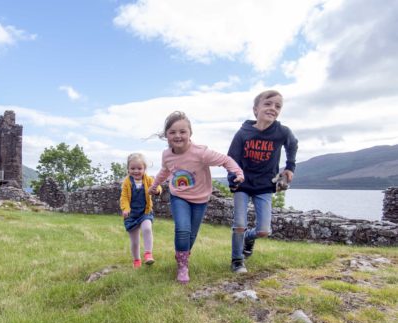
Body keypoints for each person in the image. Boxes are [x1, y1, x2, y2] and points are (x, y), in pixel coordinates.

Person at [149, 111, 244, 283]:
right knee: (182, 229)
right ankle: (182, 266)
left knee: (191, 234)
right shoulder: (167, 155)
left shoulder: (201, 153)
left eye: (182, 131)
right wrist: (155, 186)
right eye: (172, 132)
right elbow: (165, 170)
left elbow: (225, 160)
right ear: (166, 135)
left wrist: (237, 172)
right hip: (179, 196)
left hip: (200, 199)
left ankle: (182, 255)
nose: (178, 135)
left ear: (190, 133)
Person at [227, 90, 298, 273]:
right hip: (243, 184)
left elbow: (293, 144)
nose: (272, 108)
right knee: (240, 224)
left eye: (277, 106)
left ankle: (249, 238)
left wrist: (290, 167)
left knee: (264, 231)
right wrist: (233, 179)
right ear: (255, 109)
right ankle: (237, 260)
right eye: (268, 104)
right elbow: (232, 158)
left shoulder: (282, 132)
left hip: (265, 186)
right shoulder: (243, 133)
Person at [120, 153, 162, 268]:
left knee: (147, 228)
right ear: (128, 169)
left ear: (144, 169)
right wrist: (125, 208)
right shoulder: (126, 182)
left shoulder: (148, 179)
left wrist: (156, 191)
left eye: (139, 168)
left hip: (145, 212)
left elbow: (157, 186)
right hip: (131, 215)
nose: (136, 171)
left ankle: (148, 254)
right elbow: (124, 197)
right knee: (135, 242)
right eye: (132, 168)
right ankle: (136, 260)